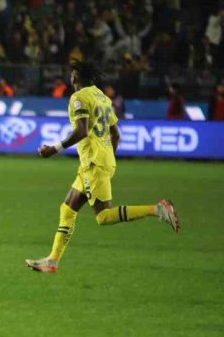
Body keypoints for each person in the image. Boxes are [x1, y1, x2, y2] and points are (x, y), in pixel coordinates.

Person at [25, 60, 181, 273]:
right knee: (68, 208)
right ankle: (52, 260)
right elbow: (115, 134)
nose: (70, 78)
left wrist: (55, 148)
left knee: (103, 217)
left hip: (94, 163)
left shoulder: (79, 98)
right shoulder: (103, 97)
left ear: (77, 77)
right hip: (97, 162)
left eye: (72, 74)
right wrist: (107, 158)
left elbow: (82, 131)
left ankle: (158, 209)